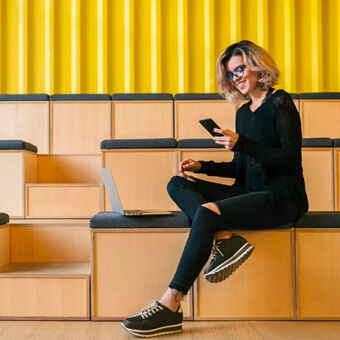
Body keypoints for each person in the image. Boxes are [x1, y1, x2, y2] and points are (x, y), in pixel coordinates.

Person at [122, 40, 308, 337]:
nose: (237, 78)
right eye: (231, 75)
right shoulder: (243, 113)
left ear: (257, 65)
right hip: (249, 192)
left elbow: (289, 160)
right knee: (177, 183)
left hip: (281, 197)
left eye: (240, 69)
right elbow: (241, 167)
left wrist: (242, 143)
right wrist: (202, 166)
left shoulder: (280, 102)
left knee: (207, 214)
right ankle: (224, 243)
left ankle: (170, 304)